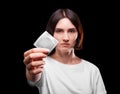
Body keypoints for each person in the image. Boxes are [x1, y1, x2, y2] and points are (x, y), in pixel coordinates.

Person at [23, 8, 107, 94]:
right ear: (51, 34)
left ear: (78, 34)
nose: (65, 38)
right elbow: (33, 78)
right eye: (59, 31)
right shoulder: (40, 64)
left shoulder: (92, 70)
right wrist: (32, 74)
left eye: (71, 31)